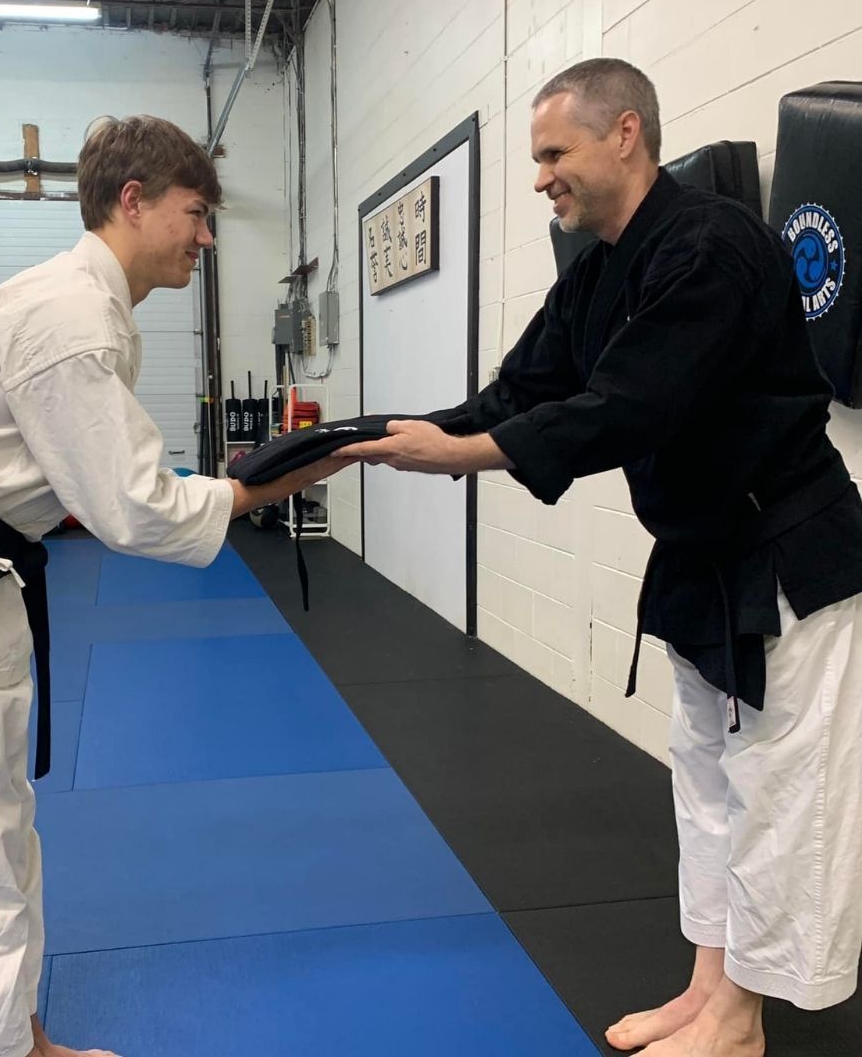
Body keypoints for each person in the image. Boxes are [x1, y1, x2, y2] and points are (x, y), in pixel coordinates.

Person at [339, 58, 862, 1057]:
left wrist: (464, 455)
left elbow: (629, 407)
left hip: (788, 560)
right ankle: (708, 993)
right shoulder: (597, 271)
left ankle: (743, 1024)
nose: (540, 177)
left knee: (778, 793)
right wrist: (392, 436)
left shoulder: (712, 246)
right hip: (704, 561)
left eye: (552, 153)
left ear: (625, 134)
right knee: (707, 783)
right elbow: (522, 393)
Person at [0, 115, 342, 1057]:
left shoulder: (85, 307)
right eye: (197, 211)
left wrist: (241, 481)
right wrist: (259, 485)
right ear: (132, 202)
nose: (207, 236)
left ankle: (19, 1038)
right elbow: (130, 506)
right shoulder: (69, 317)